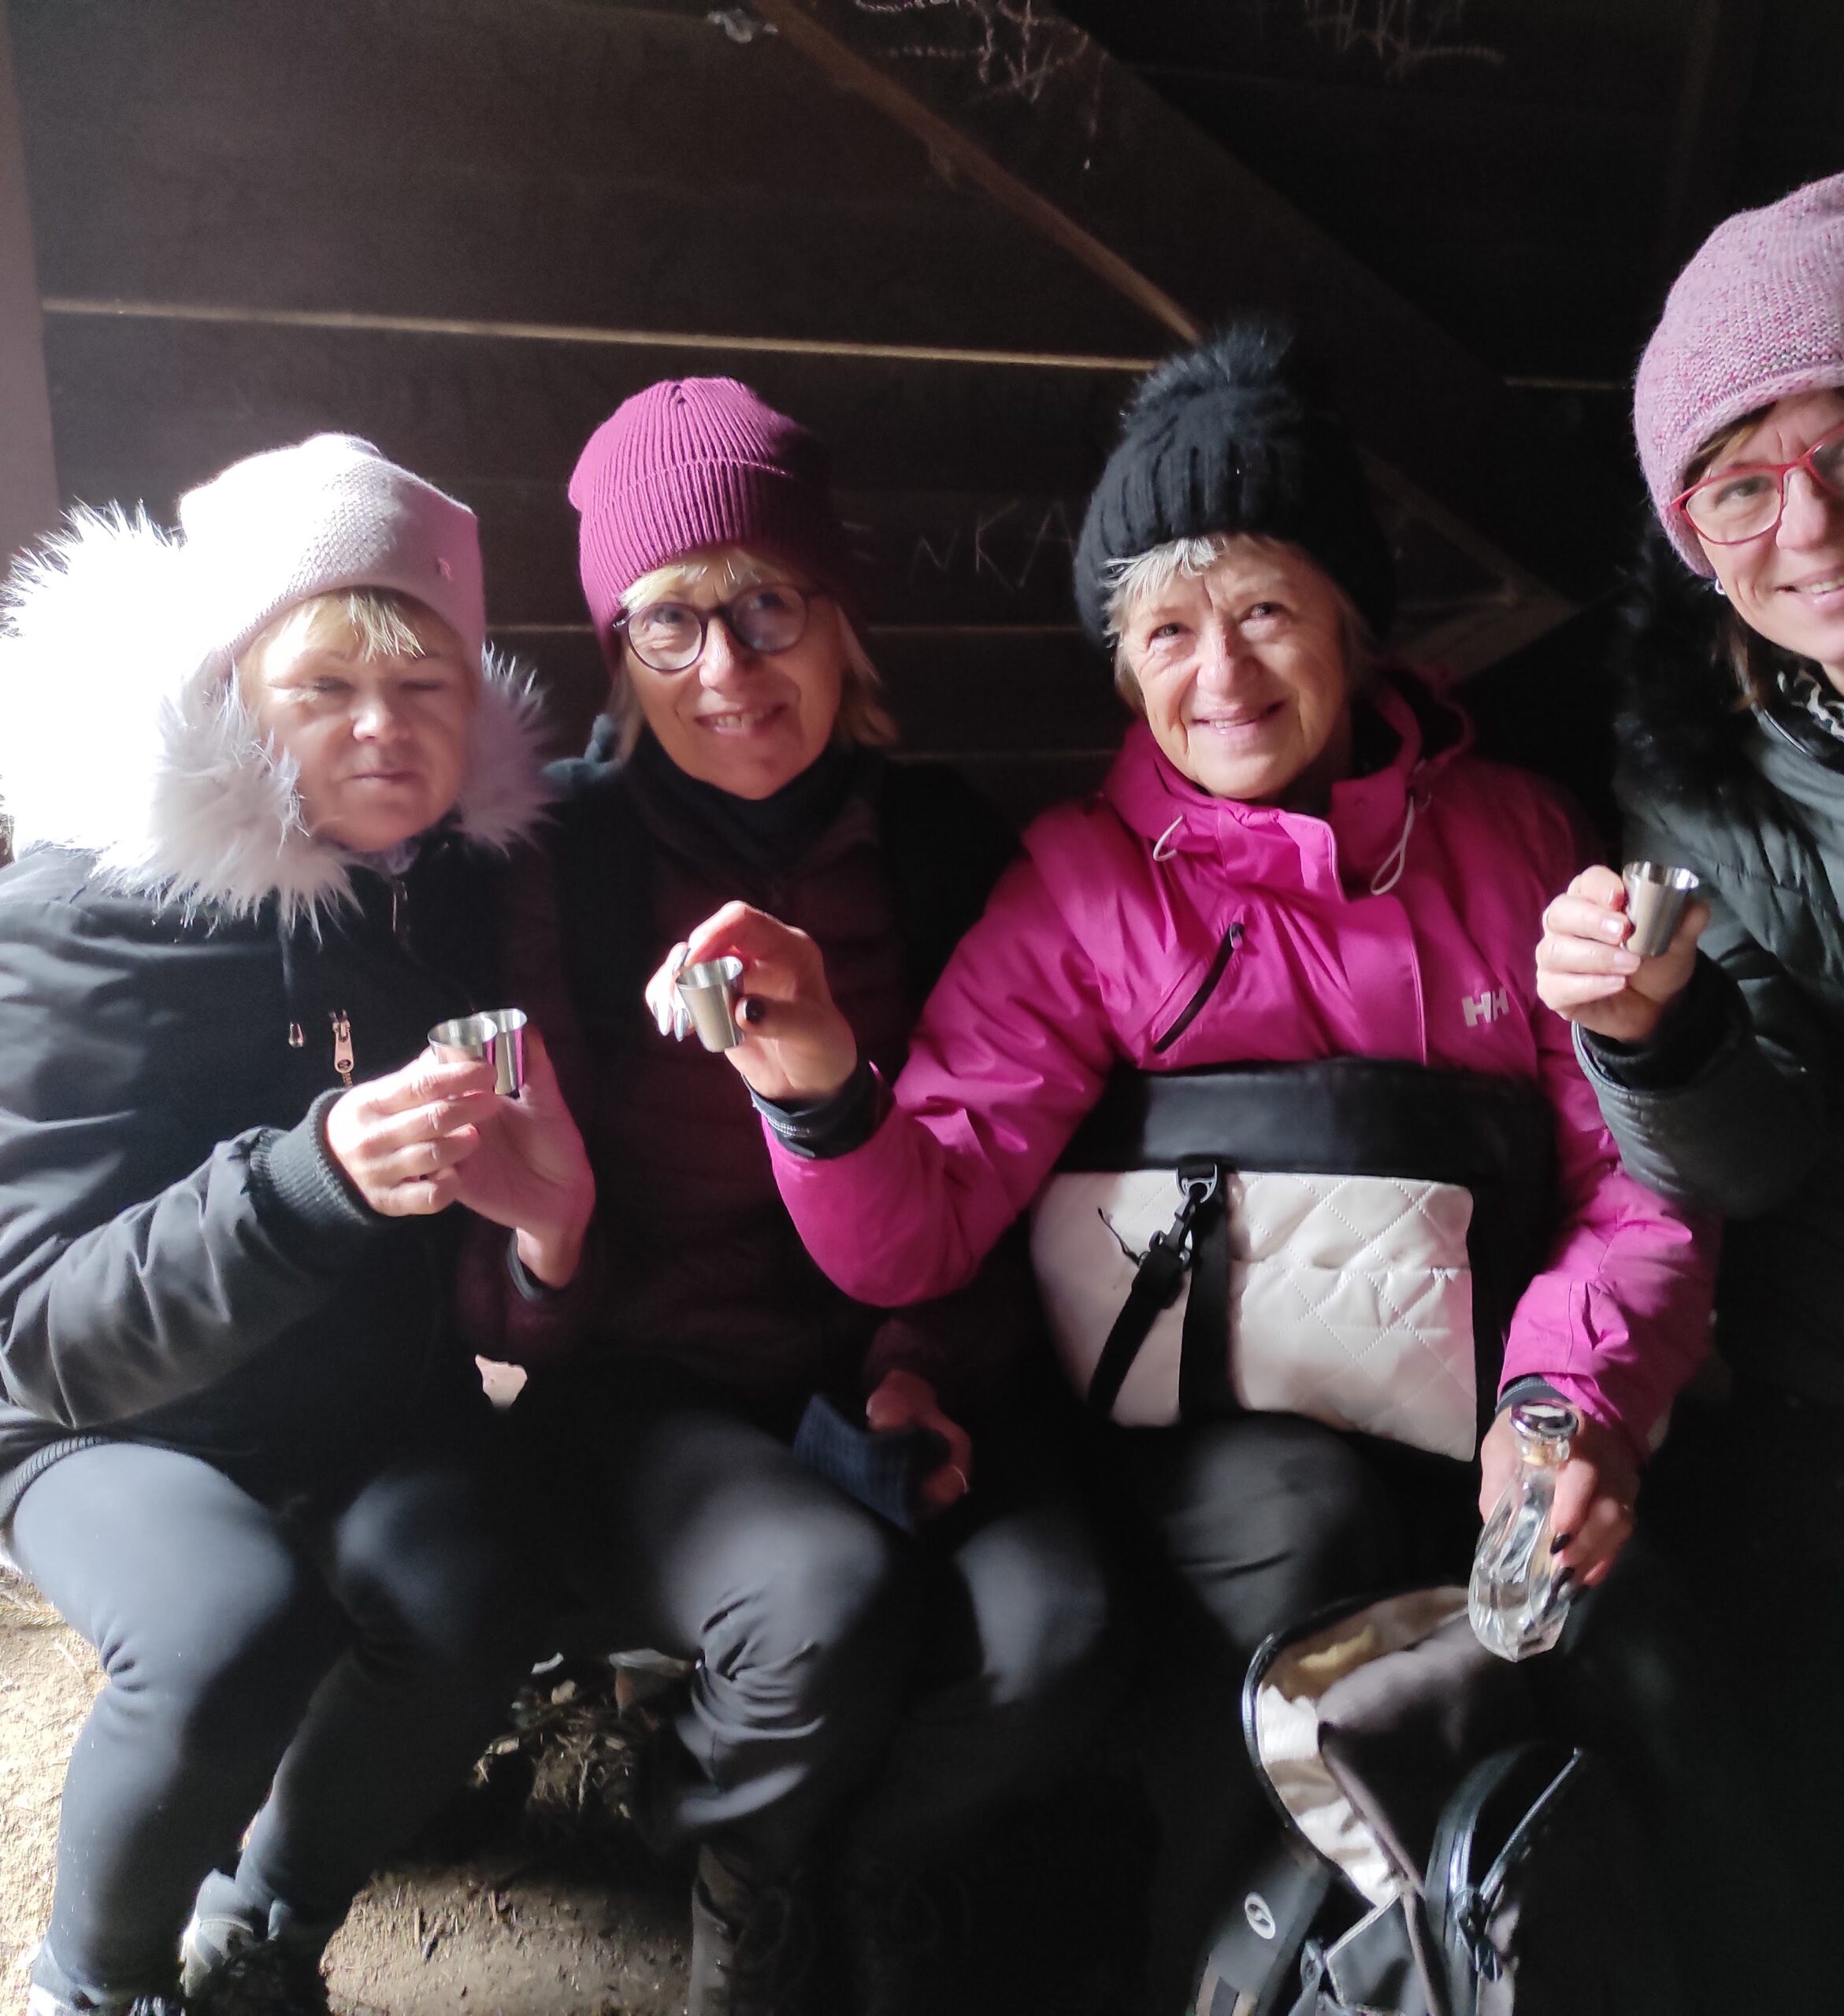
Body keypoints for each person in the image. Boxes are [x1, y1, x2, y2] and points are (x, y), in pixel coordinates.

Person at [666, 329, 1719, 2007]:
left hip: (1491, 1402)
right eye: (1166, 629)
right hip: (1209, 1435)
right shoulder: (1087, 888)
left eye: (1265, 611)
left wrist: (1566, 1405)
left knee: (1634, 1618)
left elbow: (1631, 1181)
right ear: (1123, 667)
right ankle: (1248, 1973)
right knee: (1304, 1548)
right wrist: (813, 1090)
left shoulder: (1514, 840)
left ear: (1349, 628)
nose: (1219, 673)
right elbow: (915, 1227)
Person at [468, 378, 1114, 2016]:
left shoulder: (936, 842)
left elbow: (1003, 1154)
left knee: (1053, 1626)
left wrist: (920, 1361)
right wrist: (546, 1255)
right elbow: (523, 1253)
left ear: (841, 620)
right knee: (823, 1600)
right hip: (660, 1382)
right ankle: (740, 1878)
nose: (727, 667)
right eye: (670, 619)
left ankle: (877, 1863)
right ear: (617, 647)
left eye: (768, 603)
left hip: (906, 1358)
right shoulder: (568, 857)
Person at [0, 437, 594, 2016]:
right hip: (108, 1420)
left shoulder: (443, 884)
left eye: (423, 682)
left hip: (358, 1393)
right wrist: (305, 1178)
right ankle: (93, 1982)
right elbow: (41, 1330)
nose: (381, 726)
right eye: (323, 684)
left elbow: (497, 1230)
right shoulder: (84, 912)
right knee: (226, 1633)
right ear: (230, 689)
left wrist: (545, 1235)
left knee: (479, 1589)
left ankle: (264, 1922)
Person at [1534, 170, 1844, 1998]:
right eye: (1736, 481)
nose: (1804, 521)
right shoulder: (1693, 763)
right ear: (1689, 531)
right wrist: (1651, 1031)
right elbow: (1753, 1157)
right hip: (1836, 1356)